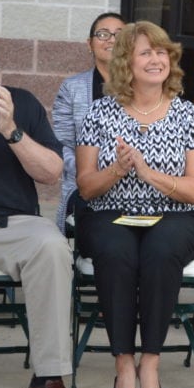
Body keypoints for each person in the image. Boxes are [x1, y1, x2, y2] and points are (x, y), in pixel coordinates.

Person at [75, 21, 194, 388]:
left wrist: (148, 174)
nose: (156, 59)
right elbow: (86, 187)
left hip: (176, 216)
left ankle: (150, 361)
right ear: (126, 63)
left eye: (161, 51)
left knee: (160, 251)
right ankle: (123, 364)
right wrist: (118, 169)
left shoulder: (188, 115)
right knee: (117, 253)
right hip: (108, 212)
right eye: (145, 52)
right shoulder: (100, 114)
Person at [0, 15, 83, 388]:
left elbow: (52, 172)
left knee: (51, 246)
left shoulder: (20, 102)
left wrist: (11, 131)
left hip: (7, 224)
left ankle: (49, 379)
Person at [52, 12, 127, 233]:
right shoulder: (72, 88)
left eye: (119, 35)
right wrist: (92, 172)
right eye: (103, 34)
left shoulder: (144, 86)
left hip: (135, 184)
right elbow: (61, 145)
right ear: (90, 44)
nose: (111, 40)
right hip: (86, 185)